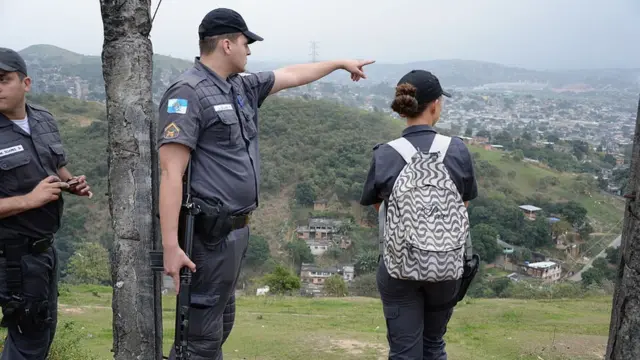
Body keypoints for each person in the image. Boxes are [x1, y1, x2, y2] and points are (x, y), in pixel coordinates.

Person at [156, 7, 374, 360]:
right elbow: (170, 172)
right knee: (199, 340)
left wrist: (337, 63)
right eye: (246, 42)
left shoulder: (240, 87)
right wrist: (170, 245)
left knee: (220, 327)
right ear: (227, 44)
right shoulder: (188, 93)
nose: (250, 50)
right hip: (207, 239)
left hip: (236, 234)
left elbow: (290, 74)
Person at [360, 70, 478, 360]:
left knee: (403, 352)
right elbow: (462, 204)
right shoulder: (457, 150)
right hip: (446, 268)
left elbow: (379, 207)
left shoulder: (385, 154)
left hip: (399, 267)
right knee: (434, 345)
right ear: (435, 104)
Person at [0, 47, 92, 359]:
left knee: (41, 331)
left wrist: (72, 183)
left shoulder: (43, 120)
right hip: (12, 255)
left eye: (3, 80)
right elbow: (32, 195)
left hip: (44, 251)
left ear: (25, 83)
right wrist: (29, 200)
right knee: (28, 335)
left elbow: (56, 166)